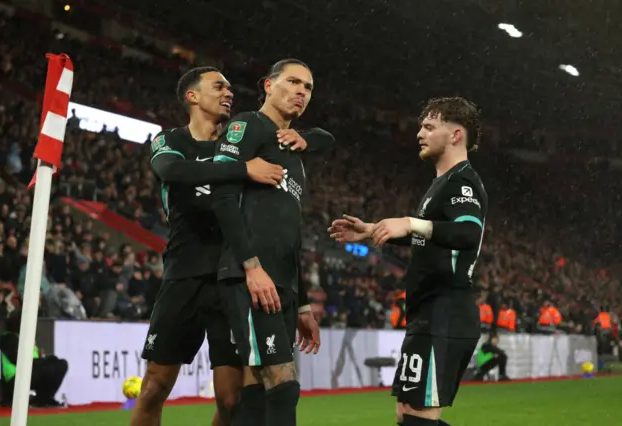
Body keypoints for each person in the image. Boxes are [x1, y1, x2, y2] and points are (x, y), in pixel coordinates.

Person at [131, 66, 325, 426]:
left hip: (232, 274)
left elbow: (297, 134)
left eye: (231, 88)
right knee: (156, 385)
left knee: (233, 397)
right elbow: (173, 172)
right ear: (192, 96)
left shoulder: (238, 140)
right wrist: (241, 169)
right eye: (218, 86)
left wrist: (309, 138)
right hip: (186, 273)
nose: (228, 93)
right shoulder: (170, 140)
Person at [328, 96, 486, 426]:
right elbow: (431, 237)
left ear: (456, 134)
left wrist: (411, 222)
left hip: (445, 311)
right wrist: (374, 231)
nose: (419, 133)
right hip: (427, 313)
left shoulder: (463, 180)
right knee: (407, 416)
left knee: (418, 419)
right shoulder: (440, 184)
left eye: (429, 126)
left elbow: (468, 233)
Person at [211, 58, 332, 426]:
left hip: (282, 284)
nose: (301, 91)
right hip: (252, 276)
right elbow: (220, 195)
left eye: (308, 87)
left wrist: (303, 304)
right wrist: (251, 265)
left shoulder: (295, 155)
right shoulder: (248, 124)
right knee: (282, 384)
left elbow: (288, 231)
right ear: (268, 85)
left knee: (257, 388)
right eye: (293, 82)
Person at [0, 310, 68, 407]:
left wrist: (46, 360)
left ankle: (44, 399)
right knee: (51, 368)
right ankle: (40, 400)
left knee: (61, 364)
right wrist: (44, 362)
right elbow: (18, 361)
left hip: (32, 372)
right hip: (16, 377)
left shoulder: (26, 337)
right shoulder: (9, 338)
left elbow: (35, 359)